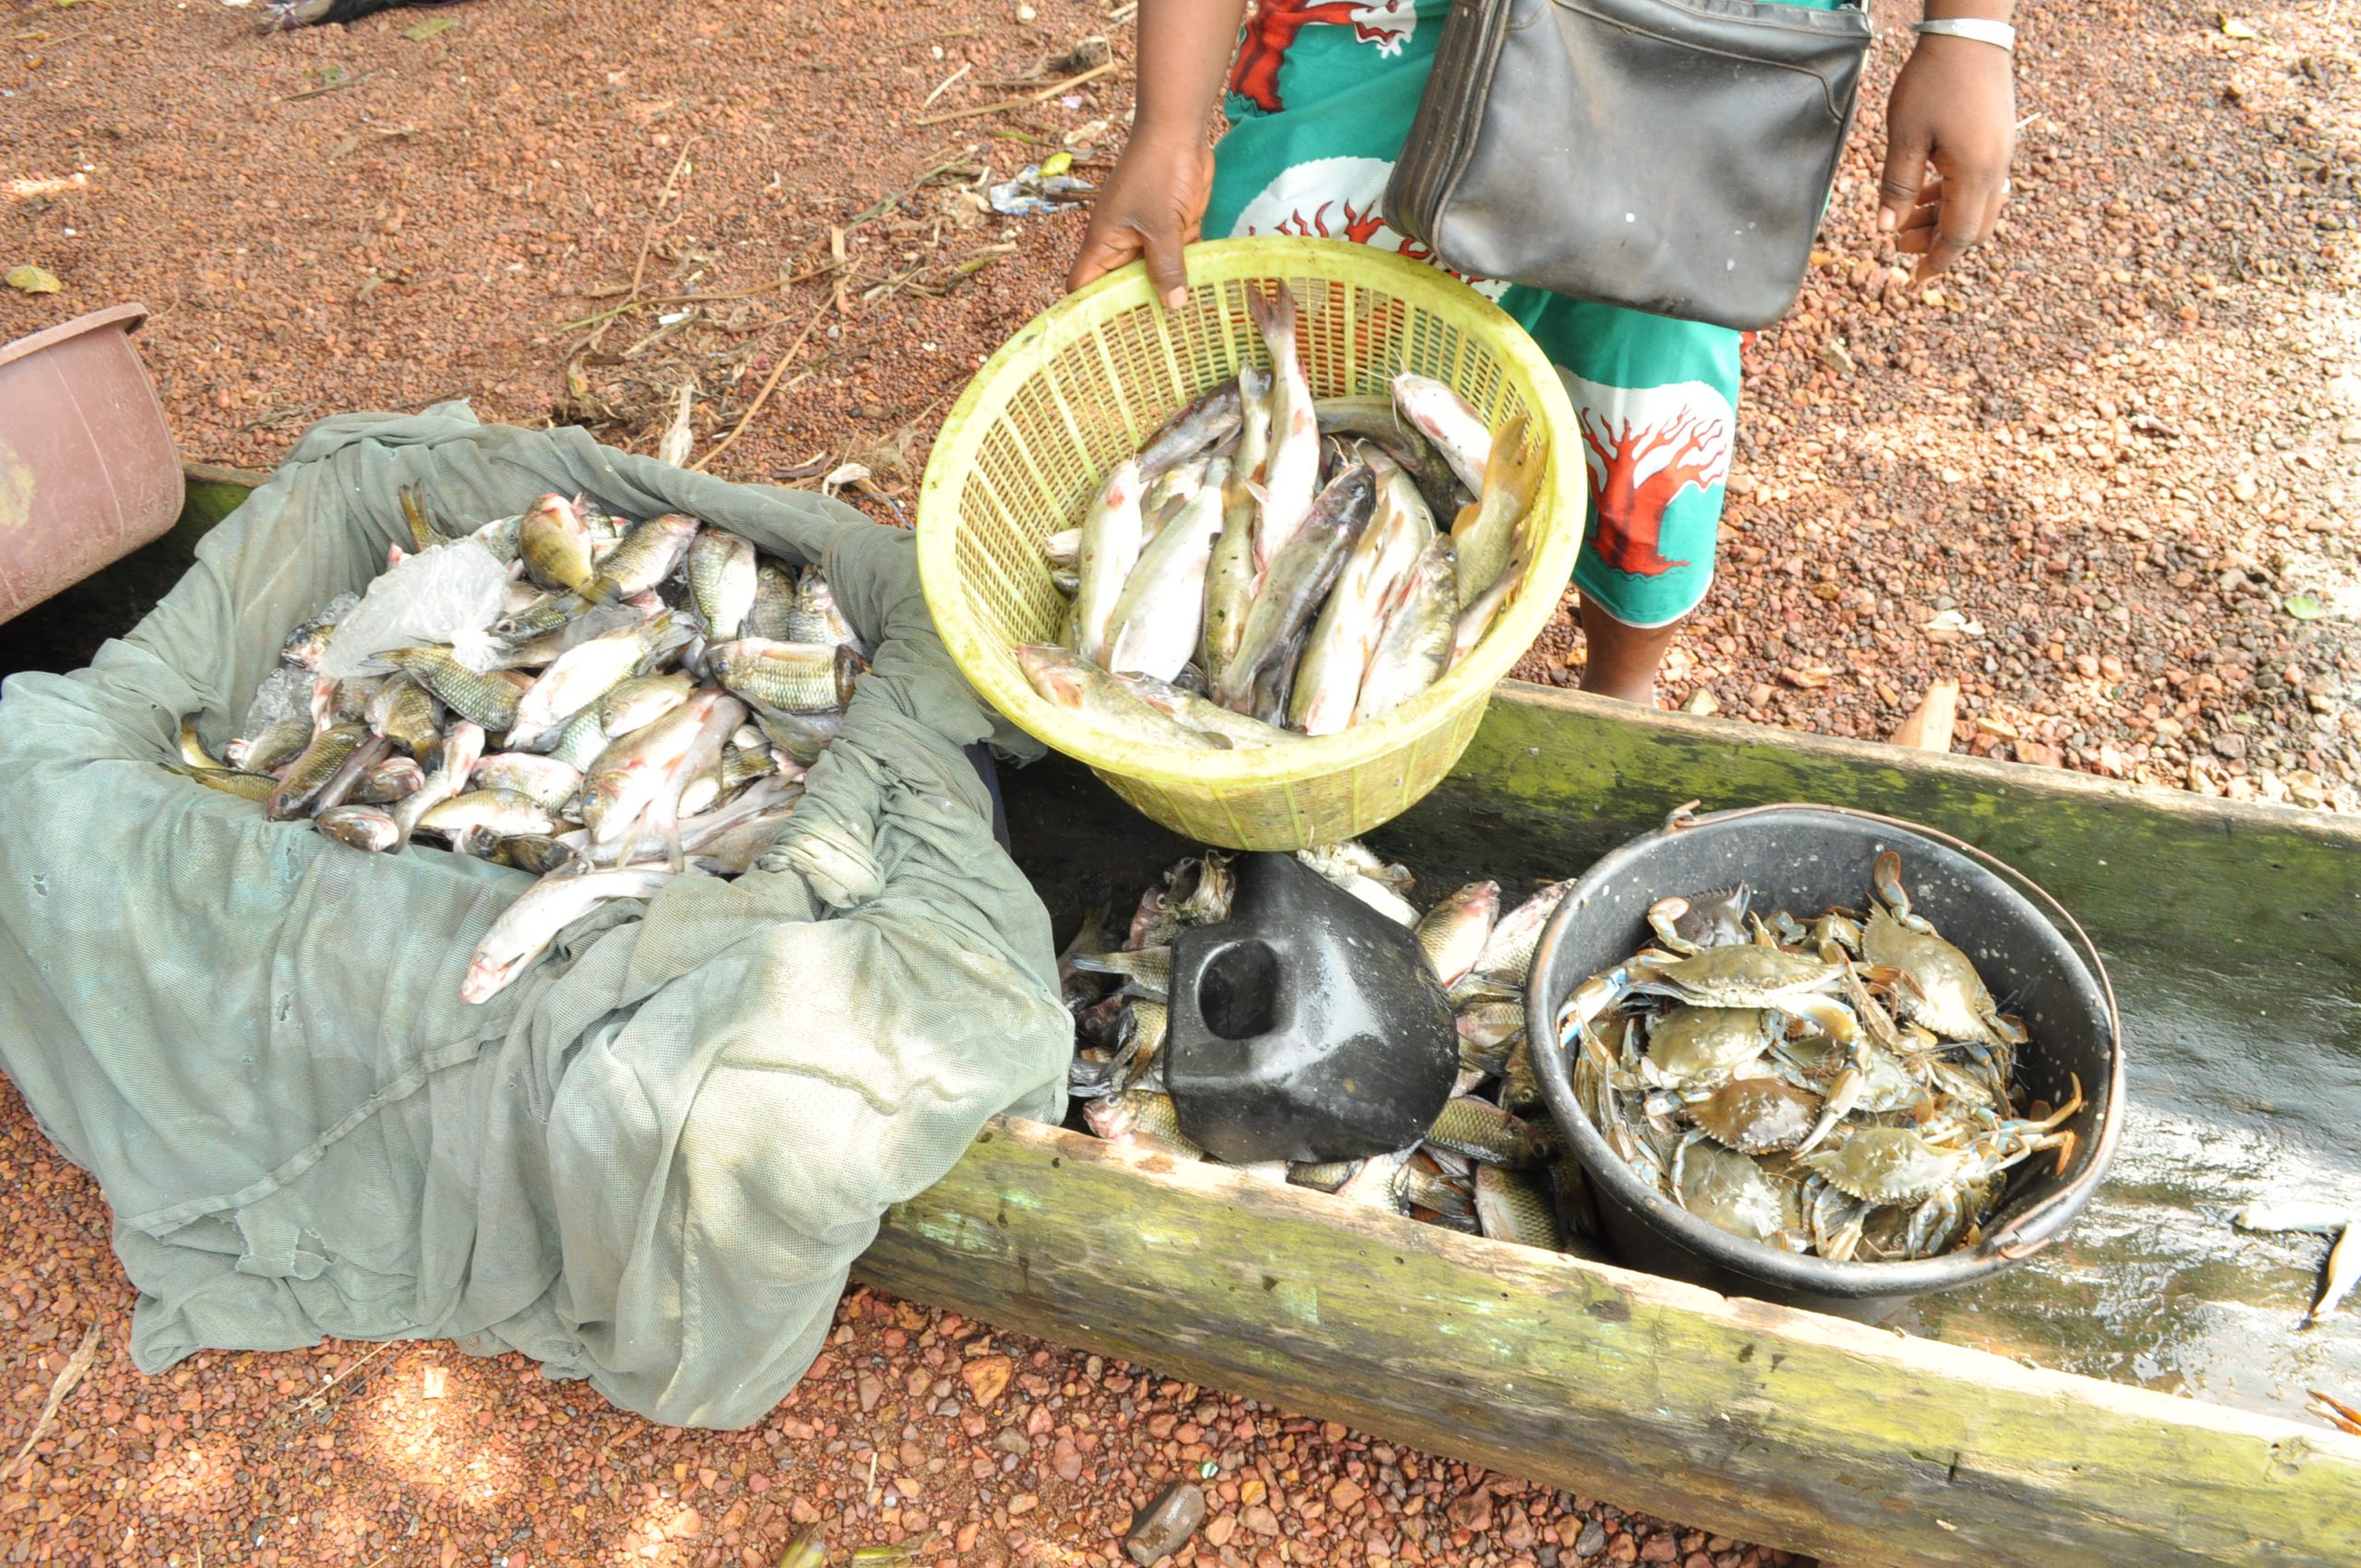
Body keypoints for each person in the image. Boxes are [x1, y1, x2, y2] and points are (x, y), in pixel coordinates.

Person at [1068, 0, 2018, 705]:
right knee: (1301, 337)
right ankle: (1300, 661)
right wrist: (1168, 125)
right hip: (1386, 24)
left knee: (1643, 378)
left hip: (1698, 43)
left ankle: (1618, 694)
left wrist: (1969, 33)